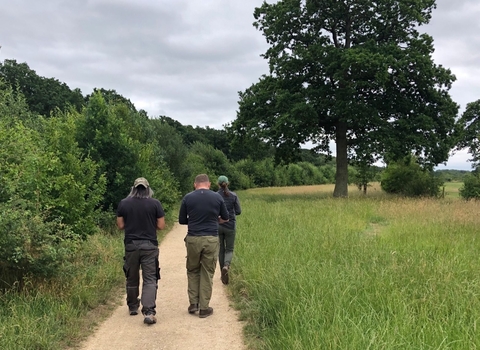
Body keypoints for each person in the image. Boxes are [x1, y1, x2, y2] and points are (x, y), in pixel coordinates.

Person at [178, 174, 229, 318]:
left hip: (193, 238)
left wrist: (194, 220)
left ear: (195, 184)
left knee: (193, 269)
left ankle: (193, 303)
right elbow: (226, 217)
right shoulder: (217, 197)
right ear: (209, 184)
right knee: (207, 272)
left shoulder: (188, 197)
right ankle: (204, 308)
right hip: (211, 238)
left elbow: (182, 220)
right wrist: (214, 220)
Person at [116, 177, 165, 325]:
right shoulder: (155, 203)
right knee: (150, 278)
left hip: (131, 245)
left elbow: (120, 225)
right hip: (149, 245)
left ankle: (132, 306)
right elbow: (161, 225)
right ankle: (149, 312)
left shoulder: (124, 203)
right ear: (148, 189)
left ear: (134, 188)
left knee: (131, 275)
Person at [216, 175, 241, 285]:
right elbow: (238, 211)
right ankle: (226, 266)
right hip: (230, 225)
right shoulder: (233, 195)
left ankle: (222, 270)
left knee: (221, 249)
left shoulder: (215, 196)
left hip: (218, 225)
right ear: (228, 183)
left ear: (218, 184)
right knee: (229, 249)